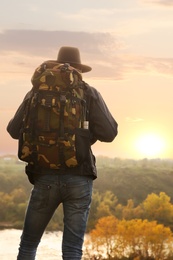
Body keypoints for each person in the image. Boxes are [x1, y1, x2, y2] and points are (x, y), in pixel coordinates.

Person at [7, 46, 118, 260]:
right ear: (79, 70)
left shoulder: (36, 93)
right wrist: (83, 135)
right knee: (72, 249)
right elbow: (110, 132)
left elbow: (13, 130)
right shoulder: (88, 92)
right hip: (79, 177)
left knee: (29, 244)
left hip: (44, 176)